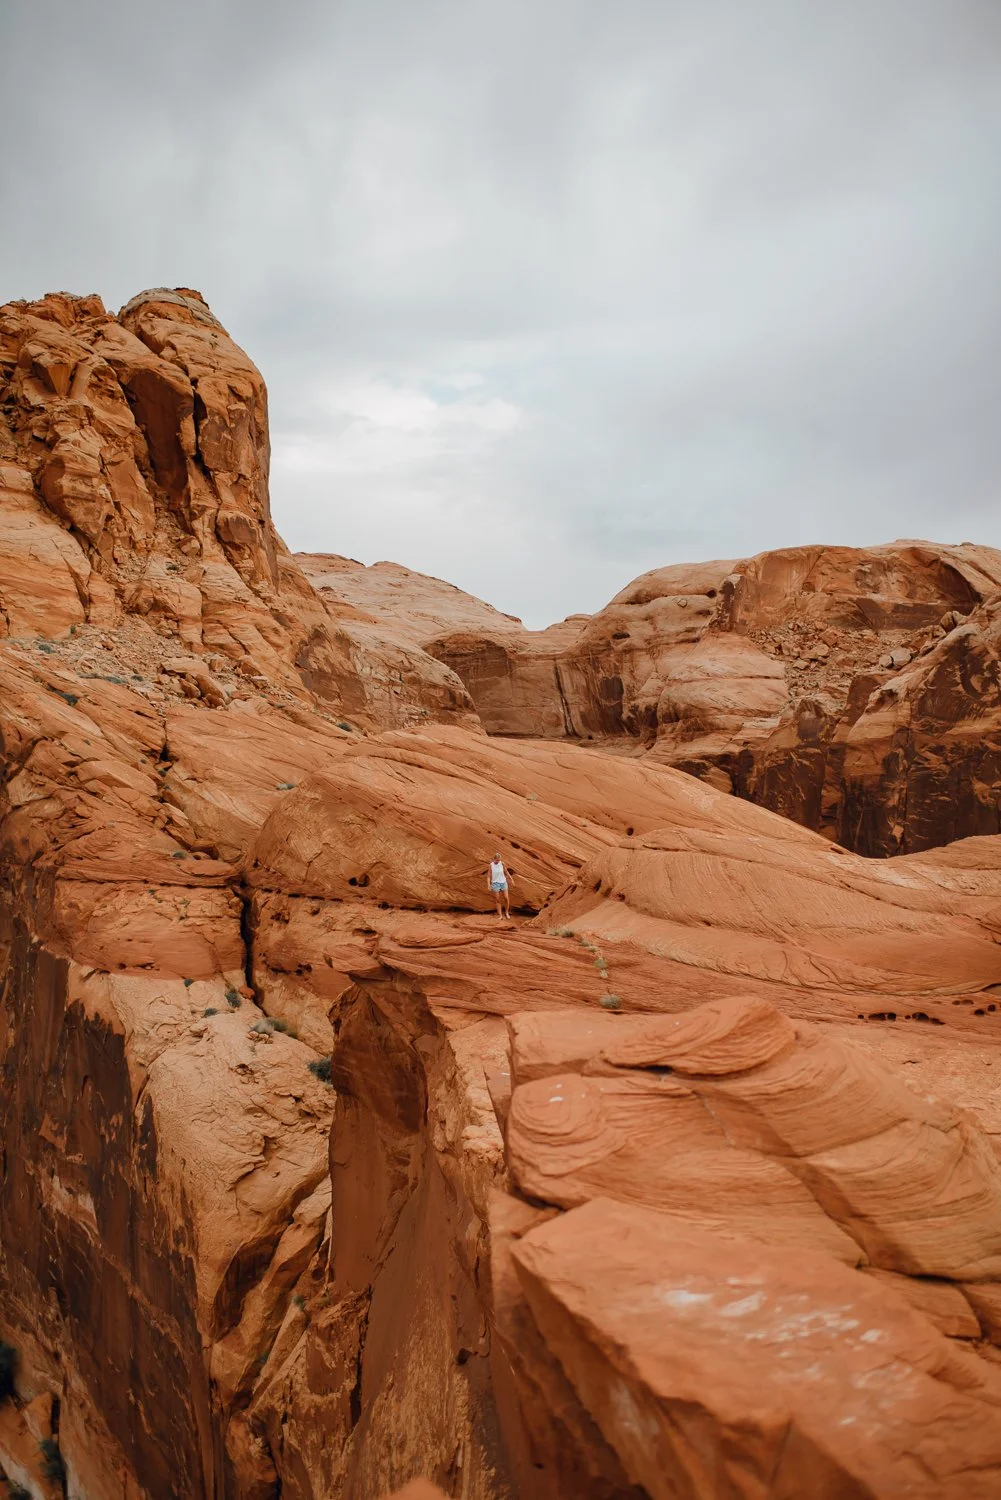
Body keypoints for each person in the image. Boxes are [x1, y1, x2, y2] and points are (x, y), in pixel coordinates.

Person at [488, 851, 513, 919]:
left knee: (506, 898)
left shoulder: (502, 863)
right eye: (497, 860)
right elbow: (489, 876)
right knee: (498, 900)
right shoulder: (491, 865)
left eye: (499, 860)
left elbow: (506, 871)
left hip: (503, 882)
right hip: (495, 883)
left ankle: (507, 912)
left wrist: (511, 878)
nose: (498, 861)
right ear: (494, 859)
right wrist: (488, 885)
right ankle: (500, 915)